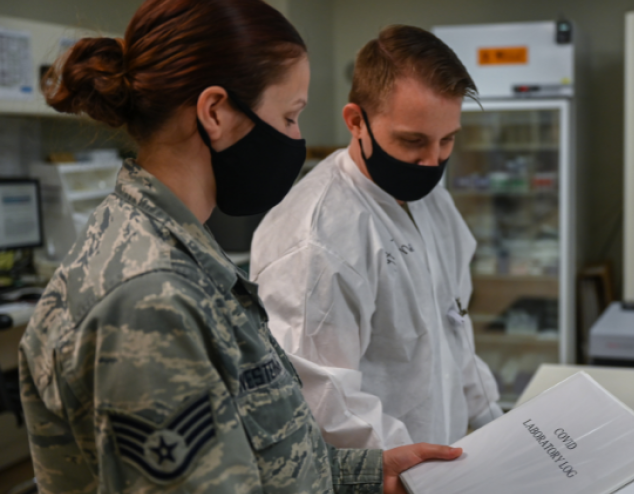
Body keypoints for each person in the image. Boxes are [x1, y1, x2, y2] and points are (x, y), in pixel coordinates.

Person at [19, 3, 461, 492]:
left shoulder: (187, 253)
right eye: (291, 116)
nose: (297, 138)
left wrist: (369, 473)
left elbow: (265, 454)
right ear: (215, 113)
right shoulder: (148, 300)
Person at [250, 25, 503, 451]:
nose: (431, 162)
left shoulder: (431, 202)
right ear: (356, 122)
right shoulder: (318, 240)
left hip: (445, 461)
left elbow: (452, 329)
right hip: (384, 474)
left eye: (447, 141)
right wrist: (414, 468)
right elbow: (323, 403)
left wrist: (493, 421)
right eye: (412, 141)